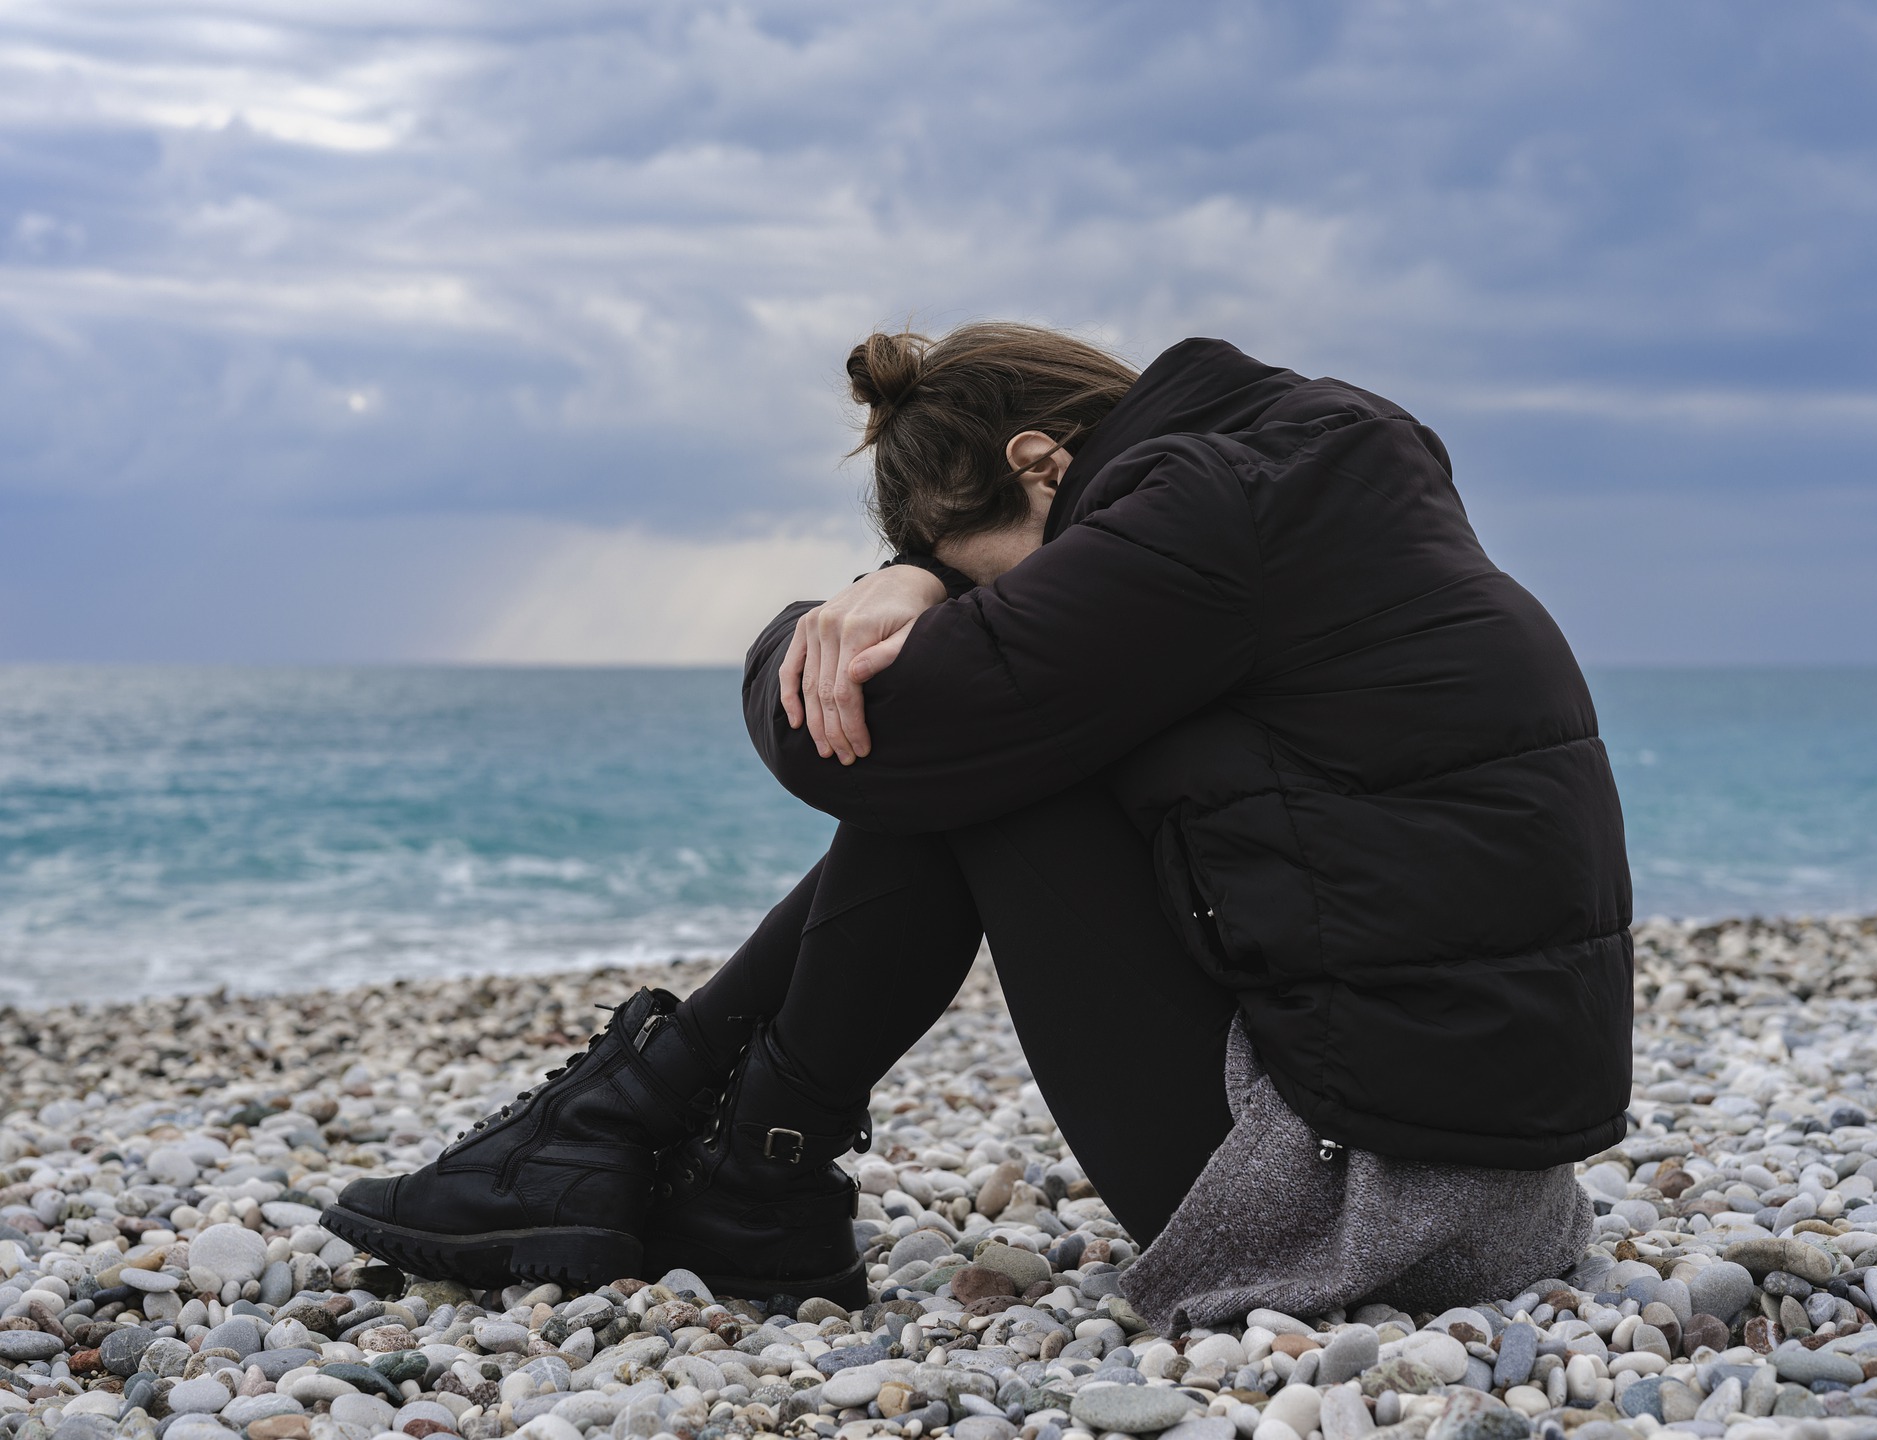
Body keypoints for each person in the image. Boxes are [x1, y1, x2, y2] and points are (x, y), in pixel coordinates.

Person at [324, 323, 1632, 1327]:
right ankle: (712, 1166)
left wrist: (827, 627)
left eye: (982, 578)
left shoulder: (1201, 519)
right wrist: (921, 578)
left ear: (1039, 464)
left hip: (1376, 1210)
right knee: (999, 741)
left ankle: (693, 1158)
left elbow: (869, 741)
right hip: (1494, 1181)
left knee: (982, 763)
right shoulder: (1299, 471)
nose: (996, 603)